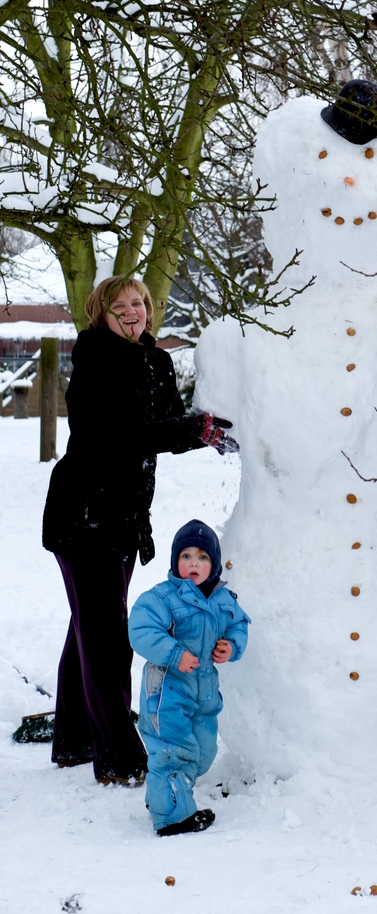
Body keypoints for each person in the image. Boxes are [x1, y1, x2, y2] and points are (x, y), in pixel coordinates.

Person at [42, 275, 236, 786]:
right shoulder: (95, 362)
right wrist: (188, 429)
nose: (132, 313)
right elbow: (116, 436)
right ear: (99, 314)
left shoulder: (156, 360)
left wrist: (209, 432)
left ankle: (75, 739)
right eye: (119, 306)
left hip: (123, 518)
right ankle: (121, 759)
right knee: (106, 637)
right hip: (84, 514)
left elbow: (168, 427)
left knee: (89, 626)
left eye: (138, 303)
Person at [129, 519, 250, 836]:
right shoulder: (163, 598)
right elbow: (141, 629)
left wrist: (231, 646)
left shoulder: (224, 600)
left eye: (202, 557)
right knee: (174, 751)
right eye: (186, 556)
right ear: (175, 562)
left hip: (205, 694)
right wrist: (173, 653)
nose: (194, 563)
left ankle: (163, 794)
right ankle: (172, 817)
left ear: (214, 564)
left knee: (204, 750)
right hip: (167, 693)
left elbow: (239, 625)